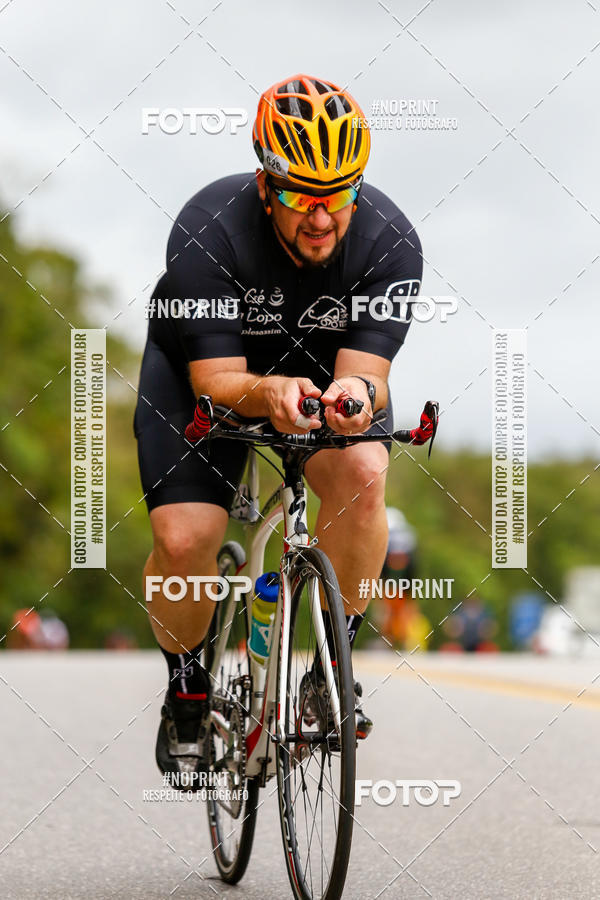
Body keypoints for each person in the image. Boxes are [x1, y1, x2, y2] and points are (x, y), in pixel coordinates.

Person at [134, 75, 424, 779]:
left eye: (340, 194)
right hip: (207, 379)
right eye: (300, 196)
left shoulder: (391, 244)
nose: (321, 217)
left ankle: (331, 667)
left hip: (319, 381)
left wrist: (352, 394)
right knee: (185, 539)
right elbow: (215, 382)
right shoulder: (209, 228)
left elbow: (367, 373)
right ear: (267, 185)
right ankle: (187, 687)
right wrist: (272, 391)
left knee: (363, 472)